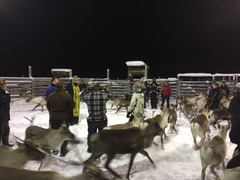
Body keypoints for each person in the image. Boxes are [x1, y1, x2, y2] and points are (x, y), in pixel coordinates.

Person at [79, 82, 113, 153]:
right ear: (100, 89)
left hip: (92, 119)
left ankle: (91, 149)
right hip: (102, 119)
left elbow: (80, 95)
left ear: (93, 89)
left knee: (91, 134)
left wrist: (88, 88)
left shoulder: (88, 96)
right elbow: (111, 95)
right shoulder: (104, 96)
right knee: (103, 135)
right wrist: (105, 88)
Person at [47, 81, 74, 157]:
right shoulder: (67, 96)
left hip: (54, 117)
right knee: (64, 134)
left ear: (56, 87)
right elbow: (72, 106)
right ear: (63, 87)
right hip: (64, 117)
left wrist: (52, 111)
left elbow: (48, 106)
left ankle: (55, 150)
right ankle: (63, 151)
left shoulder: (51, 96)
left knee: (55, 134)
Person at [0, 79, 14, 147]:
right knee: (1, 131)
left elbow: (7, 103)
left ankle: (5, 144)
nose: (6, 86)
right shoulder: (2, 94)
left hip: (5, 114)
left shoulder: (5, 93)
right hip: (1, 115)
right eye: (5, 85)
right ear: (2, 85)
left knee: (6, 129)